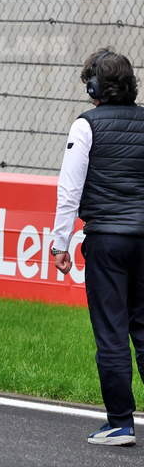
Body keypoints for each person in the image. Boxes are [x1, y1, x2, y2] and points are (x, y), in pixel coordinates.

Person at [51, 48, 144, 446]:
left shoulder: (85, 125)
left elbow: (69, 191)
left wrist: (59, 244)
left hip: (107, 240)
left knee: (111, 333)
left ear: (93, 87)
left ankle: (121, 423)